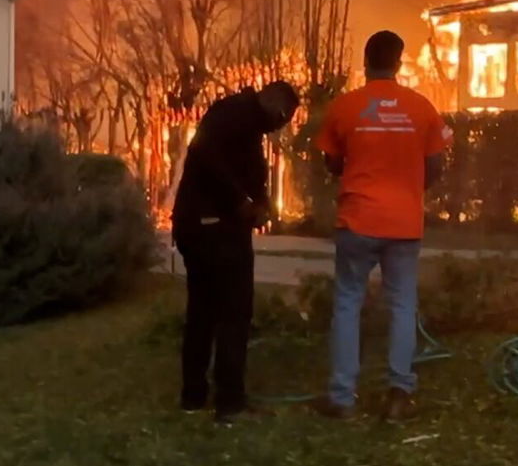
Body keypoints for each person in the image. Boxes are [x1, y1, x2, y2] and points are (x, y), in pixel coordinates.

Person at [313, 30, 452, 422]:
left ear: (365, 61)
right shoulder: (422, 107)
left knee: (347, 304)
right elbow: (438, 164)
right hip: (404, 223)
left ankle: (342, 398)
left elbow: (331, 161)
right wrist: (411, 187)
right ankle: (398, 396)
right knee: (403, 305)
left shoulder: (346, 106)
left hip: (357, 220)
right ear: (399, 62)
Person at [171, 81, 300, 424]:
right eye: (283, 120)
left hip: (195, 226)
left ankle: (193, 396)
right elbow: (206, 156)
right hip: (216, 228)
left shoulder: (239, 118)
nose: (279, 128)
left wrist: (261, 201)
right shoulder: (236, 115)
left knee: (202, 311)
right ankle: (230, 404)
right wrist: (240, 202)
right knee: (234, 312)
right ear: (278, 108)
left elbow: (244, 167)